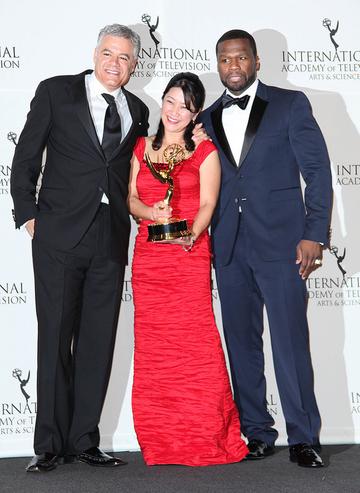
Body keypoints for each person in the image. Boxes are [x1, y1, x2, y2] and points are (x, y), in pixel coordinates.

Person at [10, 24, 149, 472]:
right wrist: (28, 215)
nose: (115, 63)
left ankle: (86, 439)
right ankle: (49, 444)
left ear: (133, 65)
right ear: (95, 53)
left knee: (97, 341)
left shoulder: (140, 110)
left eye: (124, 57)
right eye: (108, 53)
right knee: (54, 338)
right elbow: (26, 157)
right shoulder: (56, 92)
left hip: (109, 235)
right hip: (57, 235)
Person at [199, 30, 332, 468]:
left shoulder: (291, 105)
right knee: (241, 344)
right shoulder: (208, 117)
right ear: (217, 65)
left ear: (256, 62)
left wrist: (315, 233)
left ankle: (303, 437)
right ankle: (256, 432)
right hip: (230, 247)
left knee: (290, 343)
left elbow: (316, 171)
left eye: (240, 58)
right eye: (224, 59)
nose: (232, 66)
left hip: (283, 244)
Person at [128, 72, 249, 466]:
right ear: (161, 101)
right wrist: (150, 211)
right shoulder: (142, 147)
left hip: (186, 258)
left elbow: (208, 205)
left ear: (196, 113)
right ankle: (161, 439)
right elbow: (131, 197)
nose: (175, 111)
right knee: (156, 351)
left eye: (186, 106)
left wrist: (189, 235)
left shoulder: (205, 152)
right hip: (149, 261)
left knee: (195, 345)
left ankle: (205, 434)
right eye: (171, 101)